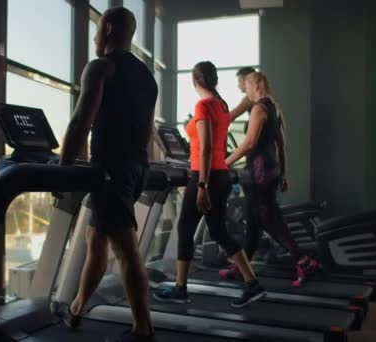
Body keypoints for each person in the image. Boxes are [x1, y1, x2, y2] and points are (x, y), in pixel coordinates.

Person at [58, 7, 158, 342]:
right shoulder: (147, 76)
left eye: (98, 30)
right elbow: (145, 131)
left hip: (110, 170)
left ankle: (143, 329)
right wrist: (135, 167)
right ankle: (75, 308)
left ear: (110, 28)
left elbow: (81, 119)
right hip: (133, 166)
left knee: (124, 248)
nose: (96, 37)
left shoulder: (101, 66)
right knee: (95, 239)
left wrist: (63, 168)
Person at [153, 61, 267, 308]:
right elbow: (210, 142)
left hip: (205, 177)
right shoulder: (221, 105)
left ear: (196, 81)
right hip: (221, 175)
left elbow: (205, 149)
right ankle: (252, 283)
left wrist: (202, 185)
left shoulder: (203, 105)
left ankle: (181, 289)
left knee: (184, 228)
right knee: (218, 231)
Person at [223, 72, 319, 287]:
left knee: (269, 220)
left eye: (246, 85)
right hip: (271, 171)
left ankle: (303, 261)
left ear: (256, 85)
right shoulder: (274, 108)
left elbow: (249, 144)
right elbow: (281, 145)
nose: (245, 90)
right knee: (253, 220)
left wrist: (225, 162)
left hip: (259, 174)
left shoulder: (259, 108)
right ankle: (242, 266)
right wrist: (283, 174)